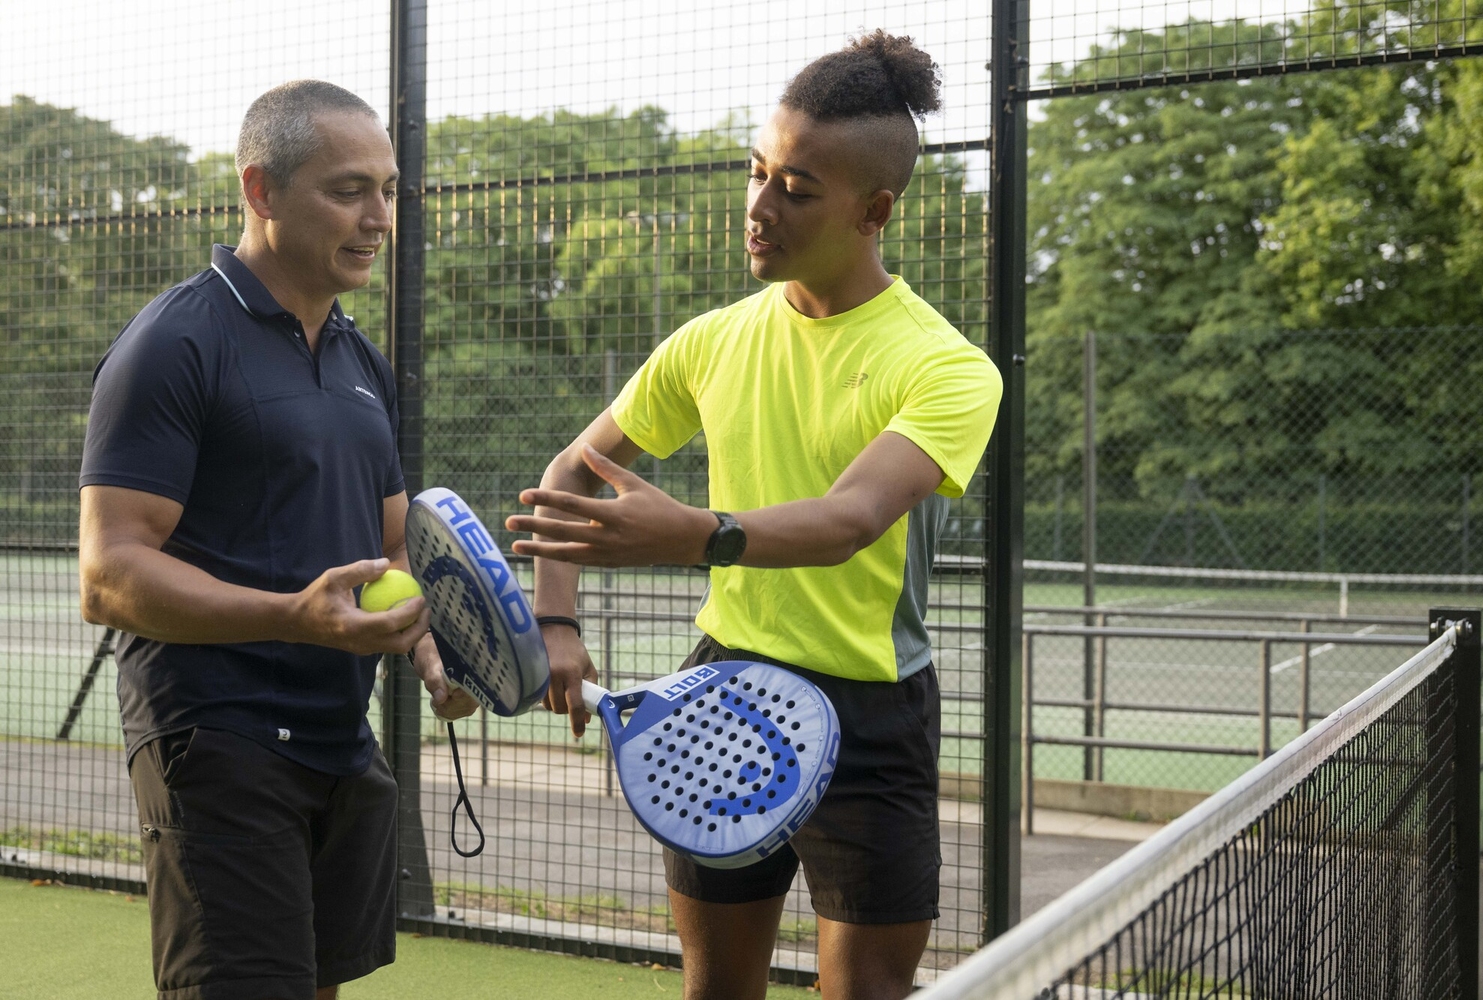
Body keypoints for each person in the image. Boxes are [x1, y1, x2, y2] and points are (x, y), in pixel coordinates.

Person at [504, 32, 1003, 1000]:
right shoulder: (712, 340)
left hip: (871, 714)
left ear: (874, 211)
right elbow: (572, 471)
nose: (760, 206)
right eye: (756, 171)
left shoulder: (946, 366)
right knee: (717, 989)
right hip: (720, 696)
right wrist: (555, 621)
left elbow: (851, 518)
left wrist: (696, 534)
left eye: (797, 189)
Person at [78, 80, 476, 1000]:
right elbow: (108, 574)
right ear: (260, 190)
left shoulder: (359, 358)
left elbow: (394, 549)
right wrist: (293, 617)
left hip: (340, 738)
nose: (379, 219)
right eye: (348, 191)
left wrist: (435, 650)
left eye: (387, 190)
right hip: (216, 738)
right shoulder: (173, 343)